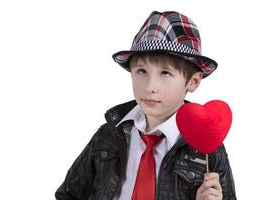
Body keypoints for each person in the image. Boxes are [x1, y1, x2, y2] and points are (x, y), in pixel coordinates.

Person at [55, 11, 236, 200]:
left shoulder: (206, 149)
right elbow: (69, 194)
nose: (150, 87)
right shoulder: (108, 135)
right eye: (141, 71)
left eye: (165, 73)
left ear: (193, 82)